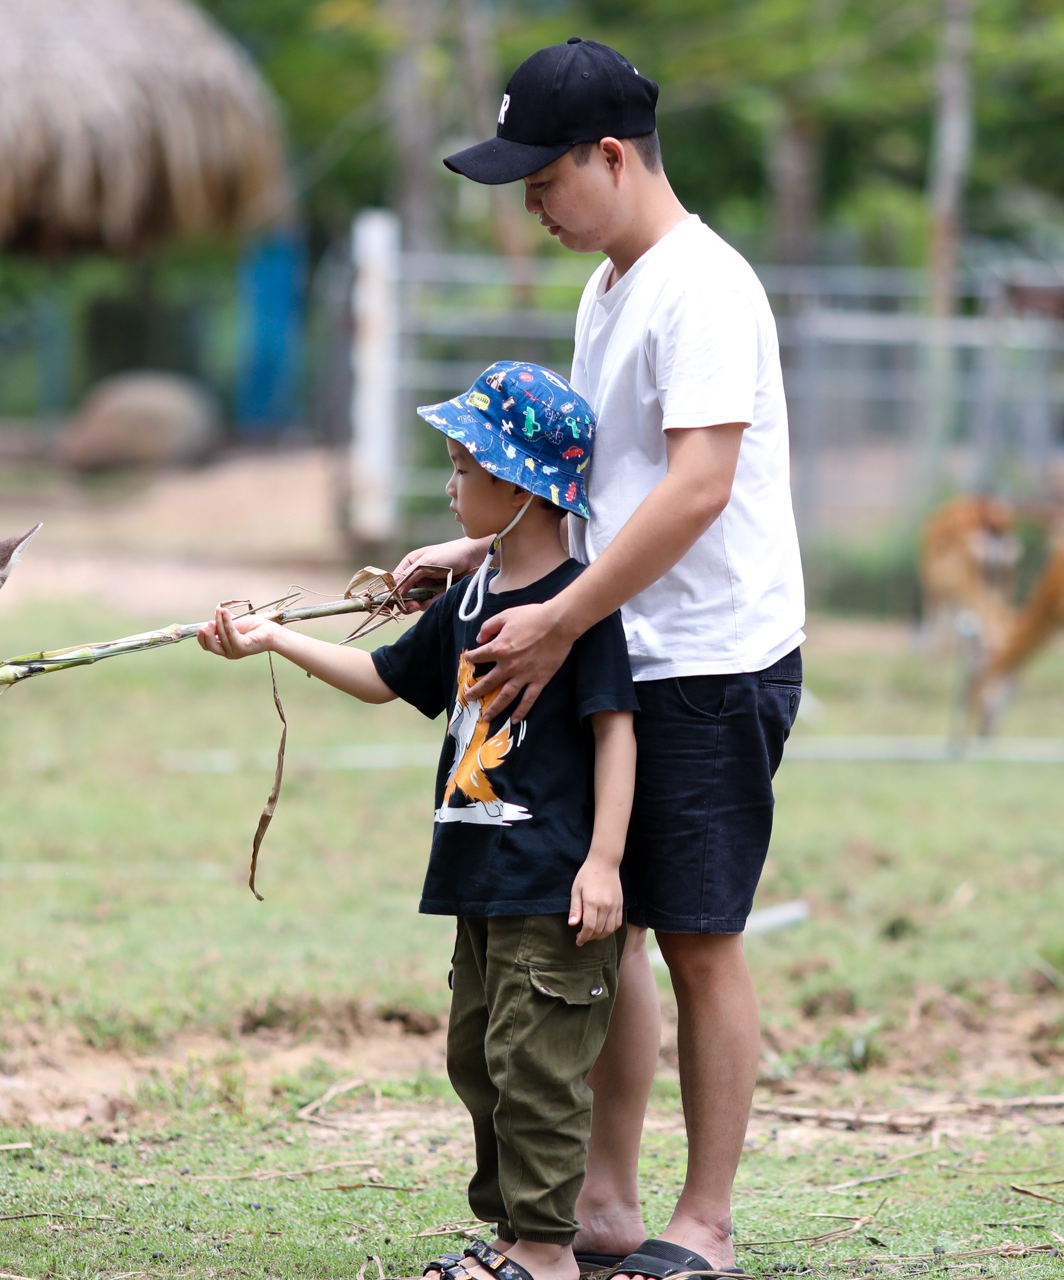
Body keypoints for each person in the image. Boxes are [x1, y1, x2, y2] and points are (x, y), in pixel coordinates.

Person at [395, 36, 805, 1280]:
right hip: (612, 638)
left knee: (697, 935)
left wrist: (563, 619)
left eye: (542, 181)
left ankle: (706, 1224)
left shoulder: (704, 287)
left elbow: (694, 490)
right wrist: (474, 560)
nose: (533, 206)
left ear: (611, 156)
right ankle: (601, 1205)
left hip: (707, 655)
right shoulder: (609, 287)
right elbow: (582, 488)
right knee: (597, 930)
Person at [199, 362, 638, 1280]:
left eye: (463, 467)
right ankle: (516, 1235)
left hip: (553, 881)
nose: (449, 485)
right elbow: (385, 681)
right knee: (480, 1061)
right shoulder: (469, 600)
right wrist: (274, 635)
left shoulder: (576, 611)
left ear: (518, 488)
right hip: (478, 879)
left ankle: (549, 1254)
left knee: (539, 1069)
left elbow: (616, 735)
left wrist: (604, 863)